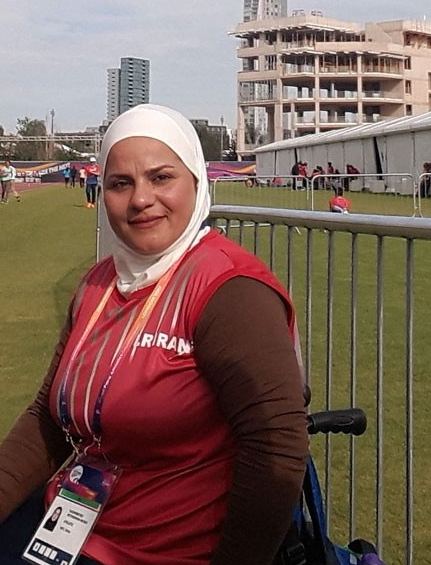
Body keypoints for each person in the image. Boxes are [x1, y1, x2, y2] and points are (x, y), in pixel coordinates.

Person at [0, 104, 308, 565]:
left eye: (161, 177)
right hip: (67, 529)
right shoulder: (98, 283)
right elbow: (49, 418)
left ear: (197, 182)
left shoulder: (230, 290)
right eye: (120, 183)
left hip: (164, 553)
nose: (141, 199)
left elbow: (276, 447)